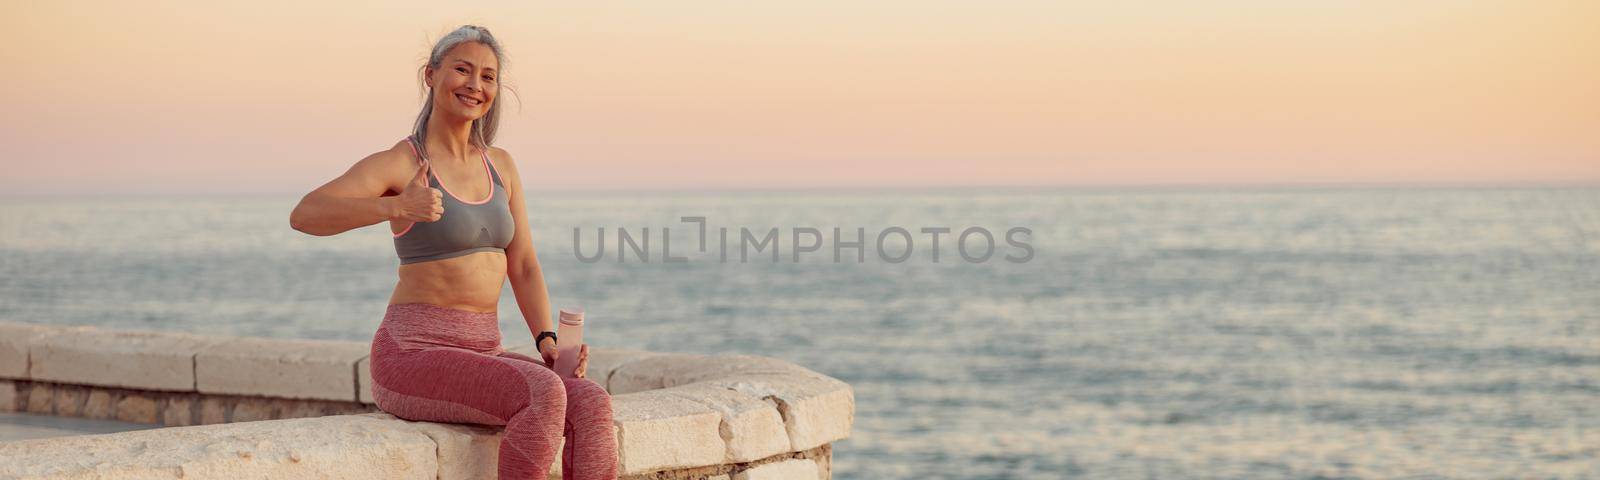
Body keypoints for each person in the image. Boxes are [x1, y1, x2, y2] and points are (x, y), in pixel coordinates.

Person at [288, 25, 617, 480]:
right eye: (462, 70)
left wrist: (547, 340)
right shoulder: (403, 163)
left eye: (488, 76)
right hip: (412, 353)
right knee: (542, 394)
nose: (475, 85)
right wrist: (396, 205)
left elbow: (522, 264)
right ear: (431, 75)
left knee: (590, 402)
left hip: (484, 350)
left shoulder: (500, 165)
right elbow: (306, 214)